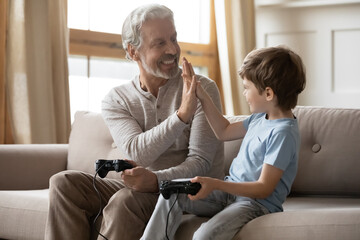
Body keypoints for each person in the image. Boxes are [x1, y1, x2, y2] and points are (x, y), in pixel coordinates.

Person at [45, 4, 224, 240]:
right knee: (63, 183)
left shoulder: (201, 88)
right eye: (160, 43)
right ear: (133, 52)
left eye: (174, 38)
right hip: (143, 186)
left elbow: (200, 163)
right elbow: (138, 152)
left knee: (126, 200)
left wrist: (156, 180)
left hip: (188, 190)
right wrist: (181, 116)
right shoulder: (117, 99)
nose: (172, 49)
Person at [141, 46, 306, 240]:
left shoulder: (283, 133)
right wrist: (201, 94)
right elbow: (223, 131)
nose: (244, 94)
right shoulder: (261, 118)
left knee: (204, 236)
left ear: (268, 94)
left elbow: (264, 188)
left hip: (255, 204)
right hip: (230, 193)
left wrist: (216, 184)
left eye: (247, 88)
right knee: (173, 191)